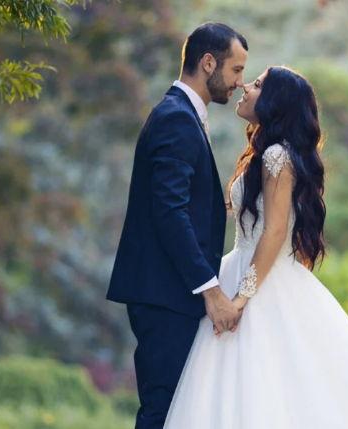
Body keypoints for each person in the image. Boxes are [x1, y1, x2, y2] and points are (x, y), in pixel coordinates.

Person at [163, 66, 348, 428]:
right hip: (243, 267)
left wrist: (241, 298)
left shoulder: (276, 157)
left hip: (258, 281)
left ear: (275, 102)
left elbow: (274, 231)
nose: (245, 86)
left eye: (256, 84)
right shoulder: (264, 154)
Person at [106, 22, 249, 429]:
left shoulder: (182, 115)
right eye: (236, 70)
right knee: (163, 411)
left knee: (174, 411)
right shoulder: (176, 118)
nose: (239, 82)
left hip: (168, 293)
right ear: (209, 63)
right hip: (165, 295)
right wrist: (211, 290)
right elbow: (169, 211)